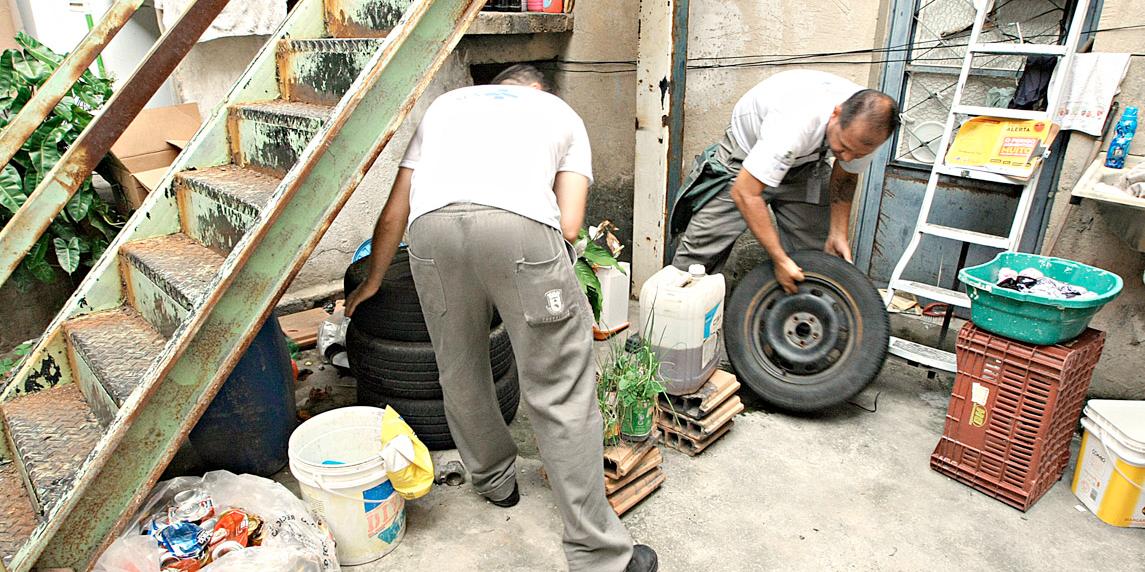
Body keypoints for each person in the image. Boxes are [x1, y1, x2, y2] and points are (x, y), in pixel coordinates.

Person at [344, 65, 658, 572]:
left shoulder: (445, 107)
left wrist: (375, 279)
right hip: (519, 233)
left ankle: (495, 483)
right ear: (538, 89)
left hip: (431, 233)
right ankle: (599, 555)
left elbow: (393, 212)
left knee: (460, 366)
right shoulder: (561, 113)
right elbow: (571, 223)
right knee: (561, 387)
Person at [669, 69, 900, 293]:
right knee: (700, 253)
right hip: (745, 158)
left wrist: (838, 232)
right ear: (836, 114)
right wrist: (779, 260)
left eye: (857, 154)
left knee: (817, 256)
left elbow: (846, 176)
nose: (848, 157)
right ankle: (670, 316)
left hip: (805, 164)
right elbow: (745, 193)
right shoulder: (796, 120)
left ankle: (798, 318)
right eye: (844, 147)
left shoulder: (867, 129)